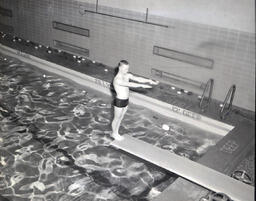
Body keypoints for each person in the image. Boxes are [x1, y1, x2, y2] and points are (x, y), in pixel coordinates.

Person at [111, 60, 159, 140]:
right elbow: (130, 84)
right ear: (120, 68)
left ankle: (116, 132)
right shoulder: (117, 79)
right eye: (125, 69)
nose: (127, 70)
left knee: (121, 117)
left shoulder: (127, 75)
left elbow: (138, 79)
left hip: (126, 100)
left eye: (128, 68)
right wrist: (143, 86)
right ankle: (114, 133)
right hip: (119, 101)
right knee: (116, 118)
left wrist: (149, 81)